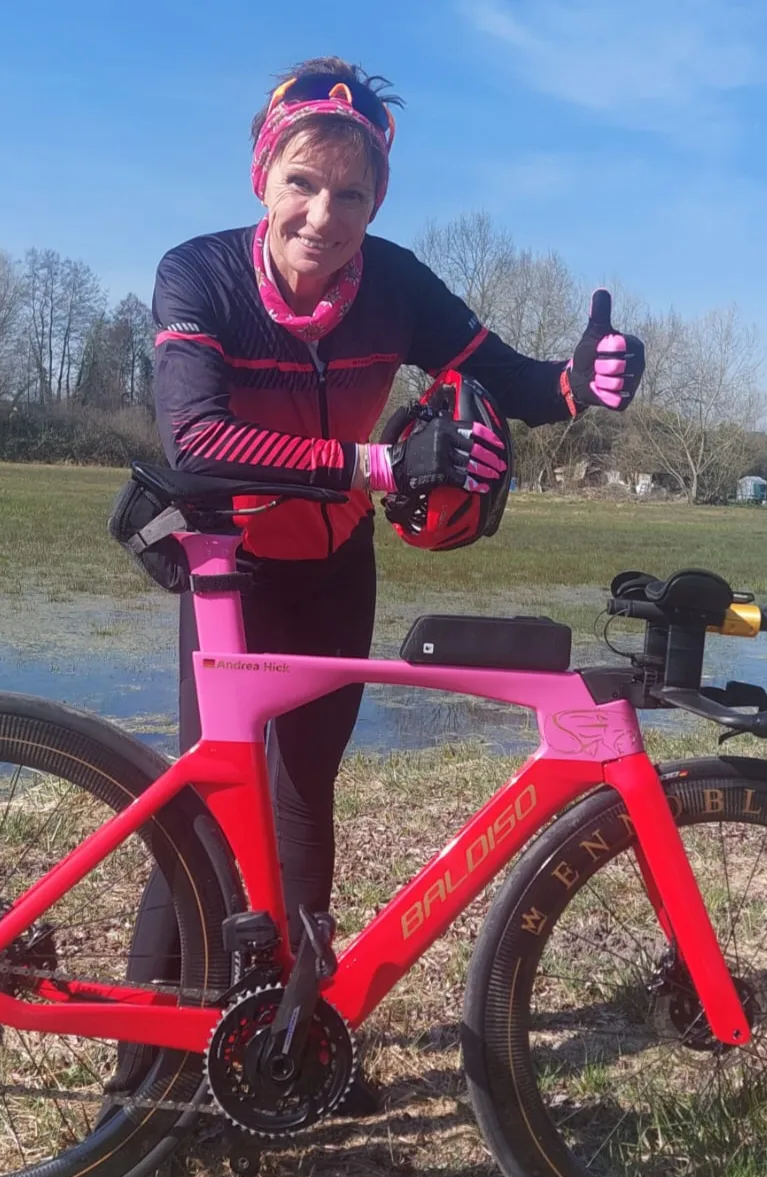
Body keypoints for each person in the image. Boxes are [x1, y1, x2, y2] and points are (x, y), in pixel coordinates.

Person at [117, 56, 644, 1108]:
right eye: (301, 183)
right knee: (206, 815)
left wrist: (577, 383)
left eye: (350, 195)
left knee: (303, 793)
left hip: (333, 568)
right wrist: (378, 464)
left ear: (378, 200)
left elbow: (511, 378)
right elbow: (198, 439)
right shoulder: (199, 274)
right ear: (262, 177)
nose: (323, 216)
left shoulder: (395, 284)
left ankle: (297, 1037)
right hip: (230, 571)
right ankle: (137, 1093)